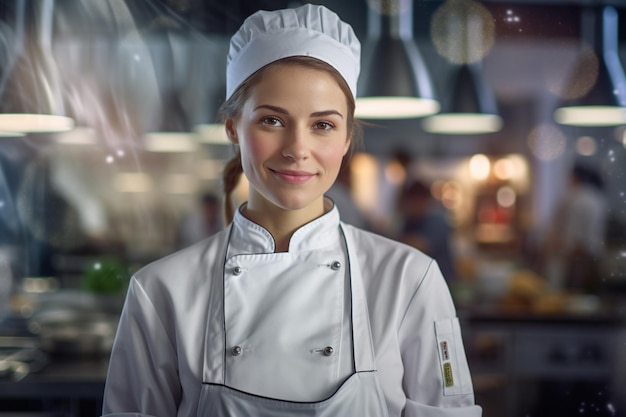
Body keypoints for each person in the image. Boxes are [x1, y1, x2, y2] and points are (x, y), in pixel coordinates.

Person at [102, 5, 481, 417]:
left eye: (323, 125)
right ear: (233, 126)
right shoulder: (161, 291)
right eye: (271, 120)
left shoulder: (409, 280)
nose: (298, 150)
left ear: (347, 137)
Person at [397, 180, 457, 283]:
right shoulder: (410, 221)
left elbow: (420, 246)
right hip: (422, 280)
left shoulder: (437, 219)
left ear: (425, 200)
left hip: (442, 280)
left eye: (416, 202)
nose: (412, 206)